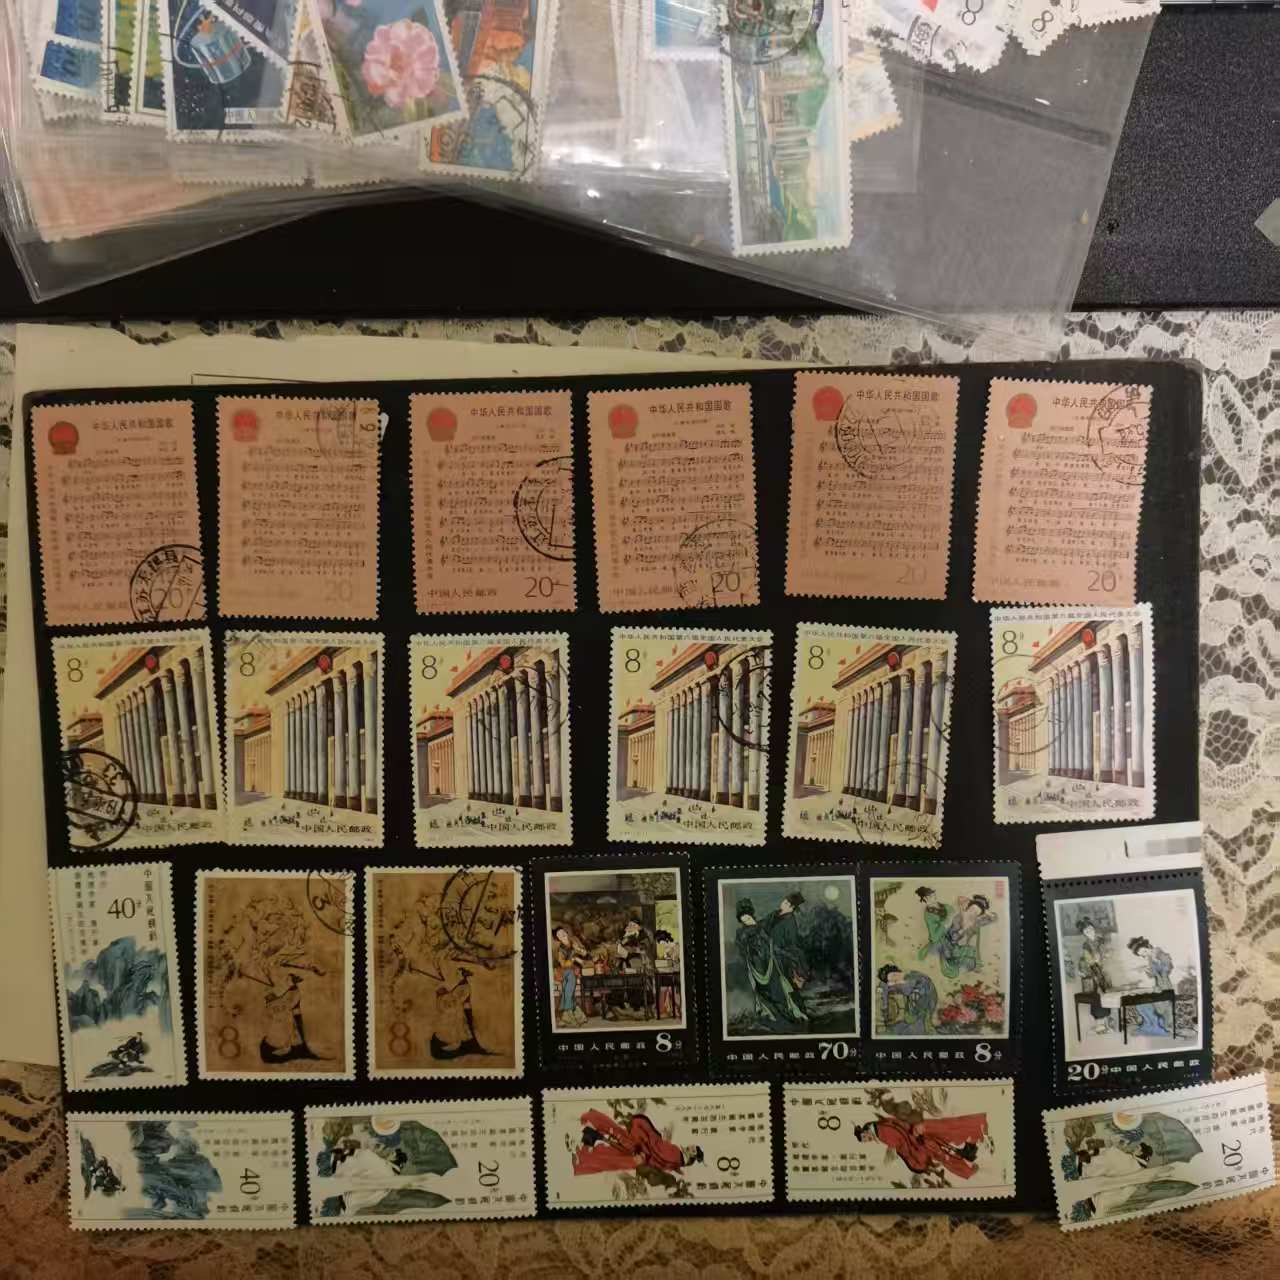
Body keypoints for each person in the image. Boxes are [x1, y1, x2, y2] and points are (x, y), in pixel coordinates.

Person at [735, 898, 807, 1031]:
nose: (746, 919)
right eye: (743, 918)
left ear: (752, 915)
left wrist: (783, 910)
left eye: (747, 916)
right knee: (768, 996)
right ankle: (780, 1020)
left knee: (781, 992)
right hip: (757, 969)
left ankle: (794, 1017)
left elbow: (772, 918)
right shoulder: (741, 933)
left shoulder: (762, 925)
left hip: (772, 965)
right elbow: (742, 949)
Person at [854, 1110, 987, 1180]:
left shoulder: (881, 1132)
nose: (867, 1139)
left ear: (865, 1131)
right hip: (916, 1130)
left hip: (917, 1137)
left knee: (941, 1150)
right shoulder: (879, 1126)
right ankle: (975, 1133)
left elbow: (901, 1139)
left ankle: (968, 1166)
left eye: (865, 1137)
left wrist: (905, 1150)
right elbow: (899, 1129)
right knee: (945, 1128)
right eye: (865, 1141)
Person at [573, 1109, 703, 1177]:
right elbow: (659, 1153)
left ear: (691, 1156)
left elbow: (658, 1150)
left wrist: (649, 1138)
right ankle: (585, 1151)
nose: (689, 1147)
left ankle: (586, 1143)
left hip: (642, 1154)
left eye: (692, 1150)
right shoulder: (677, 1159)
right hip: (642, 1155)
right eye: (692, 1146)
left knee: (615, 1150)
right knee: (613, 1155)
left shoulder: (676, 1154)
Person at [429, 968, 493, 1059]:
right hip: (451, 1013)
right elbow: (448, 998)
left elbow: (461, 995)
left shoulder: (461, 987)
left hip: (458, 1008)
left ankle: (469, 1045)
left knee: (463, 1023)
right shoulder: (447, 996)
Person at [765, 892, 810, 1004]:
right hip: (768, 950)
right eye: (784, 901)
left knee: (782, 983)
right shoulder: (775, 914)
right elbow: (763, 924)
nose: (782, 903)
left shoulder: (790, 922)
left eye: (785, 903)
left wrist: (779, 950)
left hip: (781, 956)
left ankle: (787, 1005)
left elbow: (792, 944)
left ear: (791, 907)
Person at [1126, 936, 1175, 1036]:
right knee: (1140, 1003)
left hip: (1165, 986)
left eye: (1144, 952)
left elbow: (1168, 967)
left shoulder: (1158, 953)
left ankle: (1159, 1025)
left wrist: (1157, 964)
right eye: (1142, 955)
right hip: (1158, 985)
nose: (1144, 955)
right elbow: (1152, 975)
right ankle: (1151, 1024)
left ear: (1148, 946)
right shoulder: (1149, 958)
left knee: (1152, 1003)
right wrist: (1145, 970)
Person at [1076, 917, 1113, 1036]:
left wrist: (1103, 957)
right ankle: (1099, 1024)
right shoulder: (1086, 945)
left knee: (1106, 995)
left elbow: (1108, 953)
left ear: (1094, 928)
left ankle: (1107, 1023)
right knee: (1096, 997)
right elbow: (1087, 959)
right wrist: (1090, 963)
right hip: (1093, 972)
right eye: (1086, 931)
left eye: (1090, 929)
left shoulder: (1102, 940)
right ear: (1084, 934)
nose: (1089, 932)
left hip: (1105, 971)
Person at [877, 962, 938, 1035]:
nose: (895, 978)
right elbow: (884, 985)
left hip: (926, 1001)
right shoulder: (897, 982)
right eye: (892, 980)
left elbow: (916, 991)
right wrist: (885, 1005)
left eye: (894, 975)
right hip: (913, 1006)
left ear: (897, 971)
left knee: (914, 1027)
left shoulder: (913, 977)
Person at [552, 925, 589, 1028]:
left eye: (563, 933)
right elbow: (563, 964)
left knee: (567, 989)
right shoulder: (561, 950)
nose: (562, 935)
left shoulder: (574, 942)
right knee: (569, 983)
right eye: (559, 935)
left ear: (566, 933)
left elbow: (585, 954)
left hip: (575, 970)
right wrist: (574, 959)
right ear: (558, 938)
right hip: (566, 971)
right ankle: (568, 1015)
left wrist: (579, 950)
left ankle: (567, 1016)